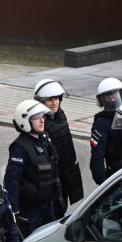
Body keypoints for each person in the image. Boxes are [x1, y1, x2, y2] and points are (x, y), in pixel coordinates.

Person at [4, 99, 61, 238]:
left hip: (48, 206)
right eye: (37, 118)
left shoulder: (44, 138)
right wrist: (15, 211)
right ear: (25, 121)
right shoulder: (20, 147)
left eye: (43, 117)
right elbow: (12, 181)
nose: (42, 121)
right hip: (31, 211)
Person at [34, 79, 83, 218]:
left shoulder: (60, 115)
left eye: (56, 98)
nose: (54, 103)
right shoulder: (39, 122)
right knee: (55, 210)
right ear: (42, 101)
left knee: (63, 206)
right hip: (53, 177)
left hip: (66, 172)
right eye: (50, 99)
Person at [89, 77, 122, 185]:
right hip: (115, 176)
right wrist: (104, 184)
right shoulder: (101, 123)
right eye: (109, 96)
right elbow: (97, 156)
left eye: (115, 95)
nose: (112, 99)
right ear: (103, 100)